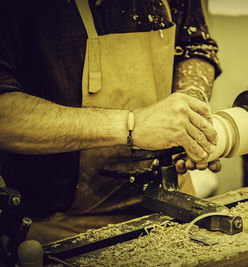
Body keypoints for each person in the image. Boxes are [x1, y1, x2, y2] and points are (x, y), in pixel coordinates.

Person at [0, 0, 222, 244]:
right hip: (60, 228)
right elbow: (5, 116)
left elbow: (196, 47)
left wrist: (191, 117)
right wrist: (131, 125)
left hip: (172, 206)